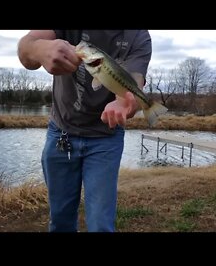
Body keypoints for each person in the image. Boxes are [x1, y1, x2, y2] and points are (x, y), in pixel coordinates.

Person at [17, 30, 152, 232]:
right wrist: (40, 49)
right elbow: (25, 46)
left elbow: (134, 79)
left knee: (100, 225)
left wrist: (125, 103)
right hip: (61, 132)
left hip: (106, 136)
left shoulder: (138, 36)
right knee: (60, 221)